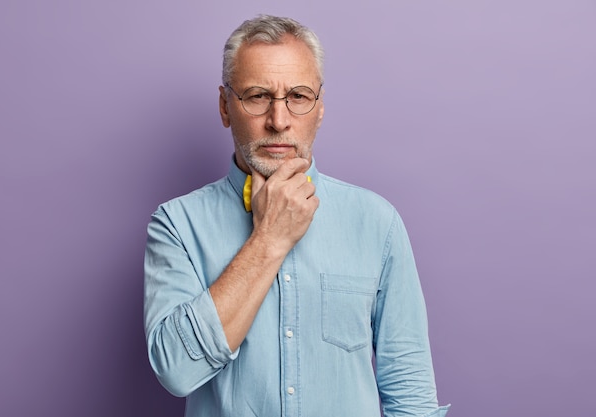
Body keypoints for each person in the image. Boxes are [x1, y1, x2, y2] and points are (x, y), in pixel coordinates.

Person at [144, 14, 450, 417]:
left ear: (319, 108)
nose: (279, 120)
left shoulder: (377, 224)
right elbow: (177, 371)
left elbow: (411, 397)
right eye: (257, 96)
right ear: (224, 107)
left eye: (299, 97)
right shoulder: (176, 225)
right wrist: (269, 239)